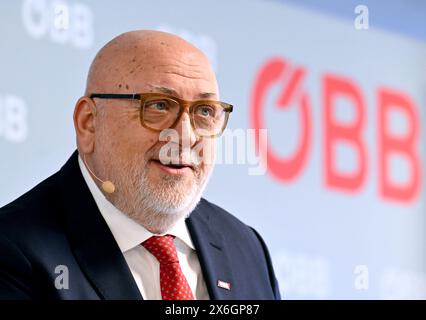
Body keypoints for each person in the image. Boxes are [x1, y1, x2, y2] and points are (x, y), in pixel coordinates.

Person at [0, 30, 281, 300]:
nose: (185, 136)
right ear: (89, 123)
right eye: (158, 105)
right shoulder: (12, 251)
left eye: (205, 111)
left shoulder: (246, 249)